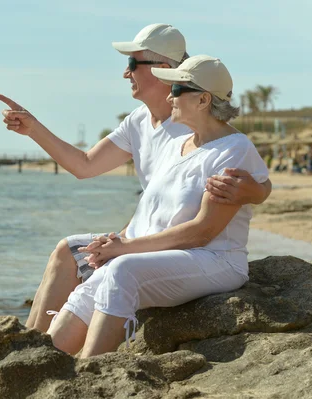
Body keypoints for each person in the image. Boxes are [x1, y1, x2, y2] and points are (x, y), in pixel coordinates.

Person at [0, 23, 272, 333]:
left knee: (107, 265)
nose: (125, 73)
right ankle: (33, 345)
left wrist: (257, 192)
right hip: (146, 235)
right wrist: (33, 128)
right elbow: (84, 165)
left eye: (132, 63)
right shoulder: (139, 121)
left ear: (162, 69)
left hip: (178, 248)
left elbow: (245, 166)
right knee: (68, 251)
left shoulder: (194, 123)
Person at [47, 55, 270, 357]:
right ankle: (43, 365)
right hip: (170, 254)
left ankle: (89, 375)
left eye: (177, 90)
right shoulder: (178, 145)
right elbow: (151, 215)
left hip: (216, 260)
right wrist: (117, 241)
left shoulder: (234, 150)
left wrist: (124, 248)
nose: (168, 96)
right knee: (94, 281)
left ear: (204, 99)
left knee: (123, 270)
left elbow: (202, 232)